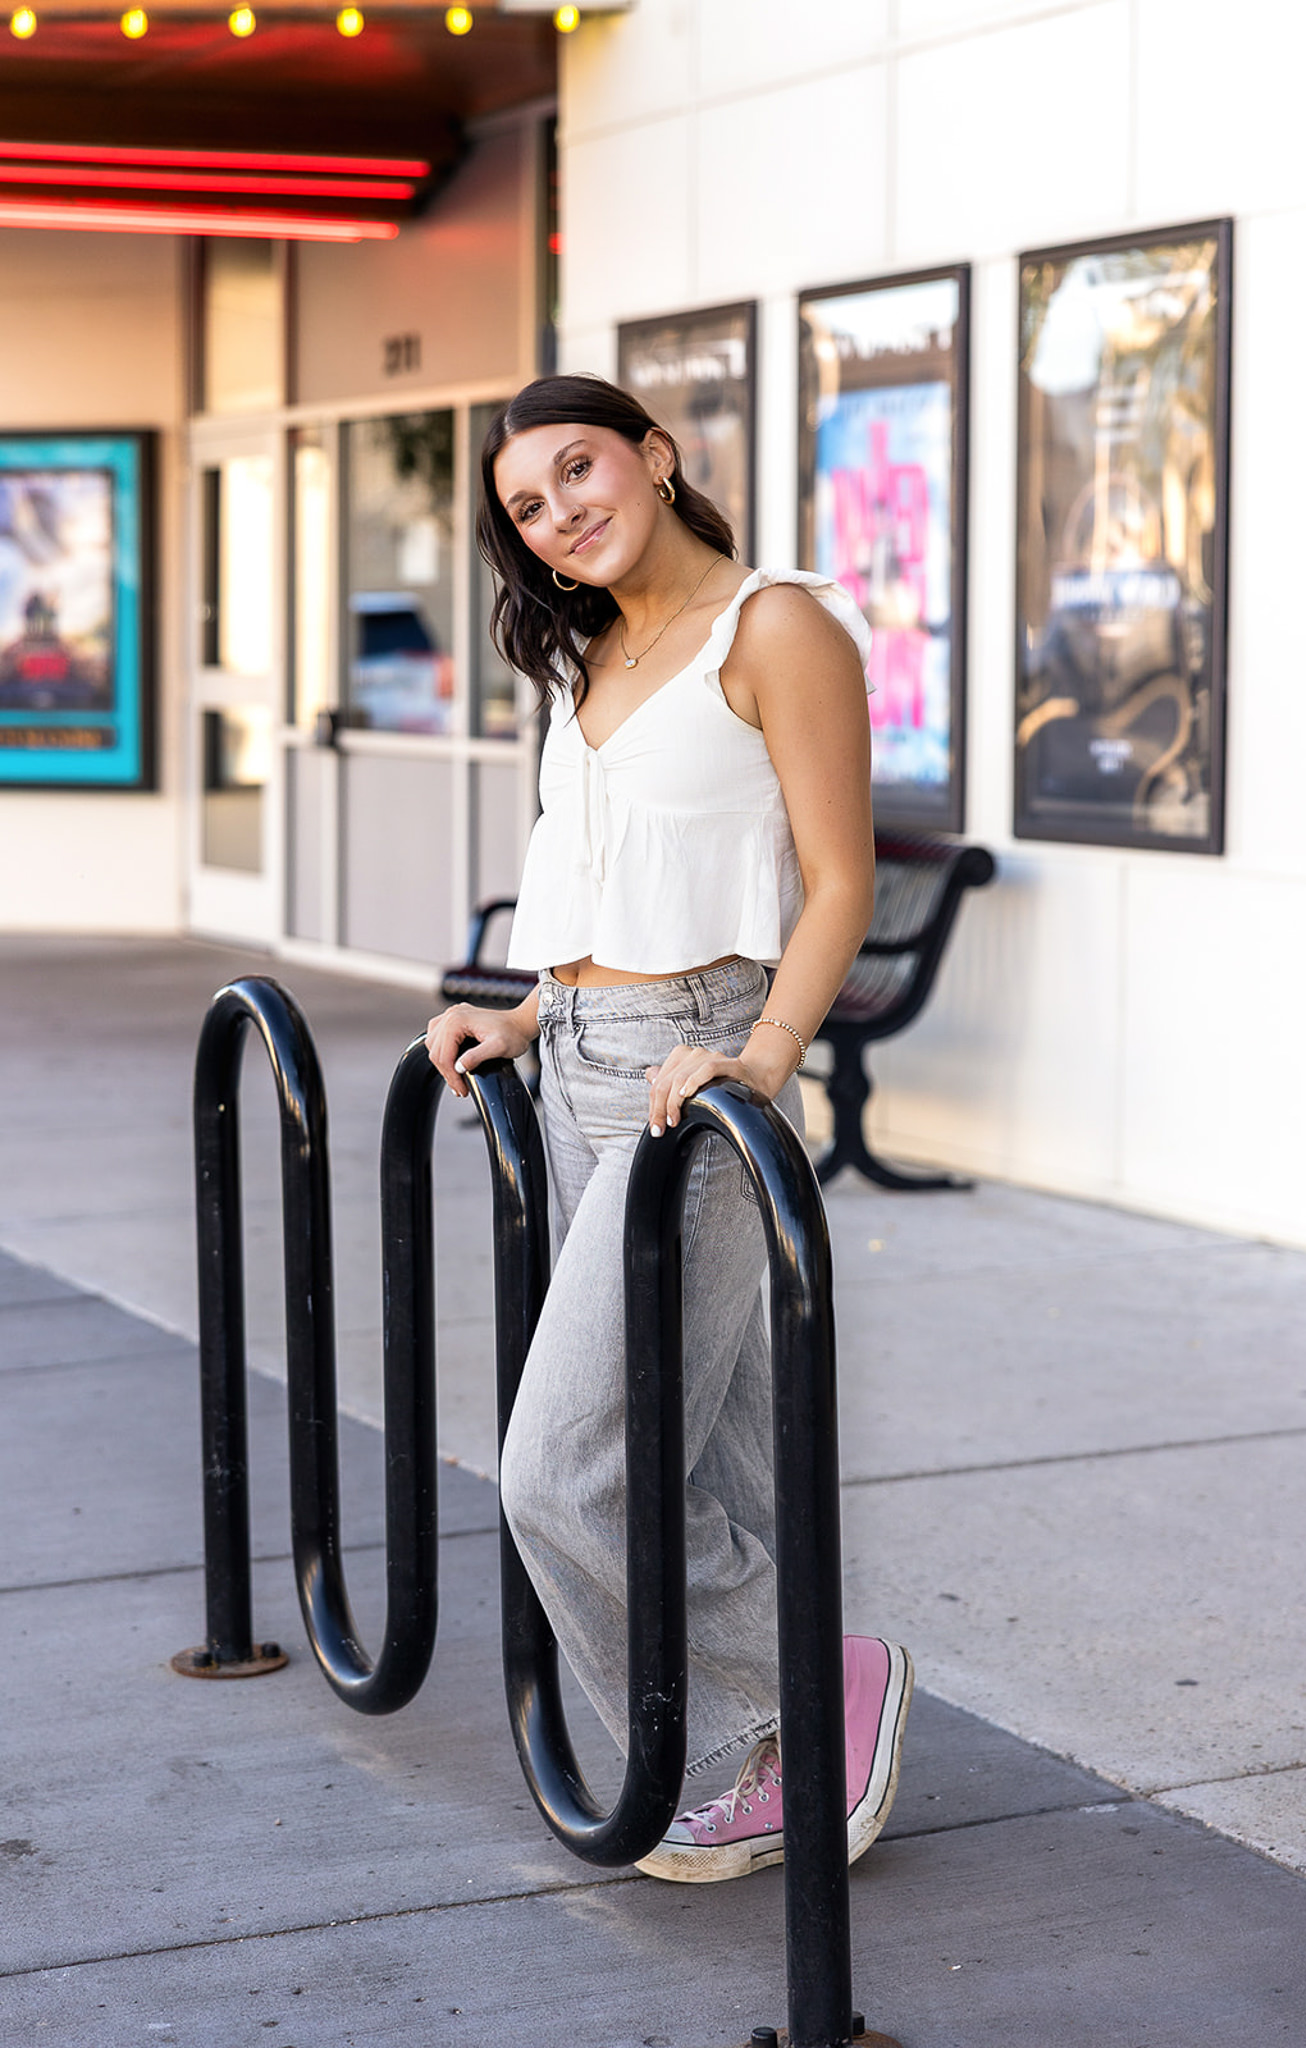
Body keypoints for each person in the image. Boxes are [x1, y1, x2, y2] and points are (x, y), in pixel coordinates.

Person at [426, 373, 912, 1883]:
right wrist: (517, 1012)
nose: (560, 510)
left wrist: (761, 1059)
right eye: (525, 504)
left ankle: (810, 1694)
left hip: (693, 1067)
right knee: (702, 1446)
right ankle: (793, 1757)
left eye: (579, 469)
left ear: (654, 453)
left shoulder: (775, 627)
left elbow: (840, 878)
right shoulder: (594, 646)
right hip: (576, 1049)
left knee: (559, 1470)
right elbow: (588, 868)